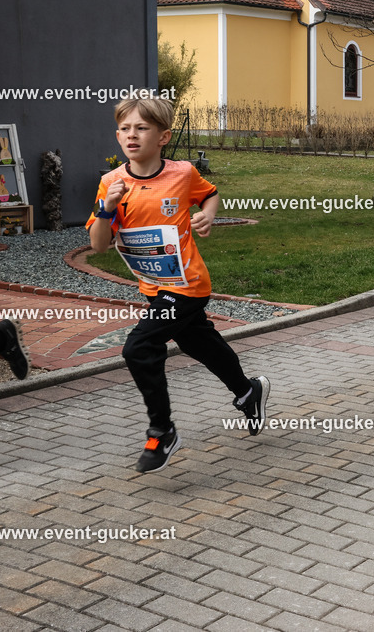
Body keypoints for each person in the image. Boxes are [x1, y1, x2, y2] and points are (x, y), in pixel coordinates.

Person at [87, 96, 269, 473]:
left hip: (188, 284)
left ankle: (162, 431)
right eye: (124, 128)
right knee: (198, 342)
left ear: (163, 136)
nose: (131, 135)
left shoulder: (182, 173)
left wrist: (207, 215)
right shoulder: (110, 183)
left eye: (142, 128)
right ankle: (248, 391)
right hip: (154, 286)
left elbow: (210, 193)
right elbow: (99, 245)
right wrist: (107, 210)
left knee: (139, 347)